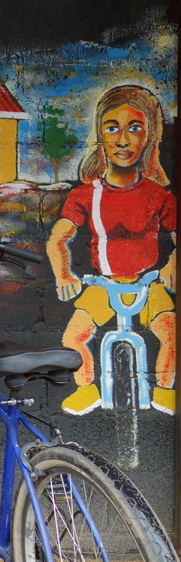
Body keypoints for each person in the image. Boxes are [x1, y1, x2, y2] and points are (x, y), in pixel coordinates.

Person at [47, 84, 176, 415]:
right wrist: (64, 274)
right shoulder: (86, 195)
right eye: (112, 128)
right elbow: (57, 239)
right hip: (103, 286)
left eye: (135, 128)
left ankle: (165, 389)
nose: (122, 140)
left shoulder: (157, 195)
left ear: (148, 137)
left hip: (148, 284)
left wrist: (172, 265)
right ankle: (86, 388)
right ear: (100, 136)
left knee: (171, 333)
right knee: (74, 337)